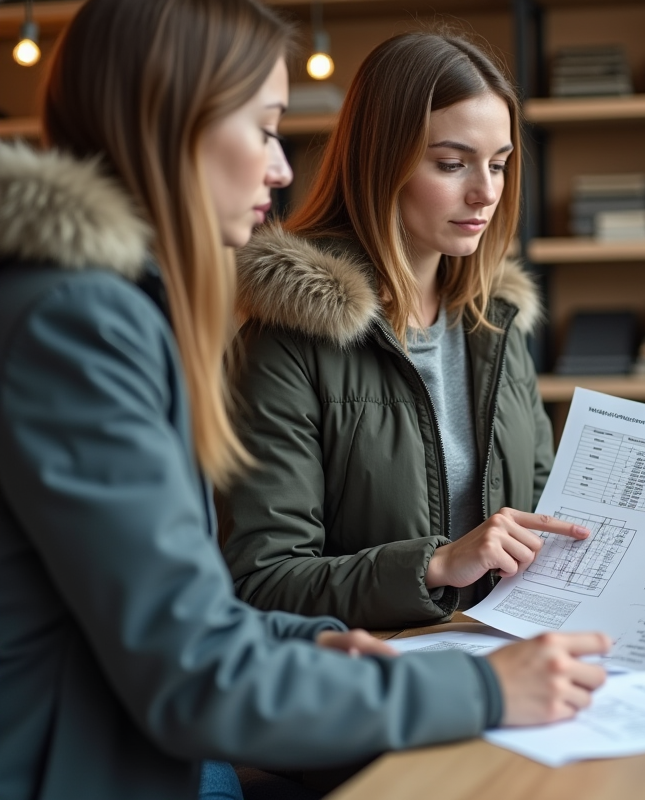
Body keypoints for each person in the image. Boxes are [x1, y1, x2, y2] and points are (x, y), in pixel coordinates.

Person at [0, 2, 607, 799]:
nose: (283, 169)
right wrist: (486, 688)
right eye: (264, 128)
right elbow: (195, 660)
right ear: (173, 123)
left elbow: (180, 612)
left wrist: (314, 641)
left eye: (499, 164)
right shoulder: (78, 325)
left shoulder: (114, 310)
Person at [219, 31, 573, 628]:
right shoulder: (288, 339)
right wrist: (435, 564)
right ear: (383, 162)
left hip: (509, 659)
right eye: (452, 164)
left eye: (499, 164)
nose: (485, 192)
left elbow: (540, 517)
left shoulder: (496, 322)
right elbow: (261, 580)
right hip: (374, 680)